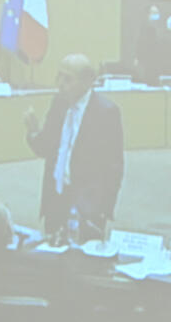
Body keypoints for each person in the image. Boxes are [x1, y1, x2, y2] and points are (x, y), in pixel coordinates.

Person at [24, 54, 125, 243]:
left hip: (87, 206)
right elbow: (46, 149)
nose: (60, 84)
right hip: (55, 198)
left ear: (88, 82)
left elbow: (115, 167)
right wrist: (33, 132)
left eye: (68, 79)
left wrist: (103, 210)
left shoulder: (106, 112)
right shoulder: (59, 103)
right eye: (59, 77)